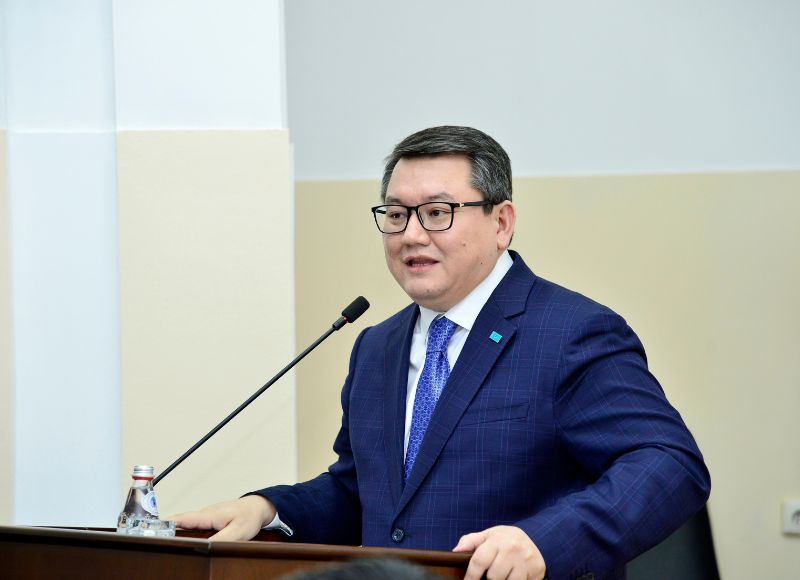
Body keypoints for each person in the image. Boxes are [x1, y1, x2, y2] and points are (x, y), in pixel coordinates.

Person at [174, 126, 711, 580]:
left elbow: (670, 463)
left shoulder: (570, 333)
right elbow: (363, 493)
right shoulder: (376, 346)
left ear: (501, 222)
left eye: (437, 212)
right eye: (396, 214)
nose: (411, 235)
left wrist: (543, 541)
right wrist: (268, 509)